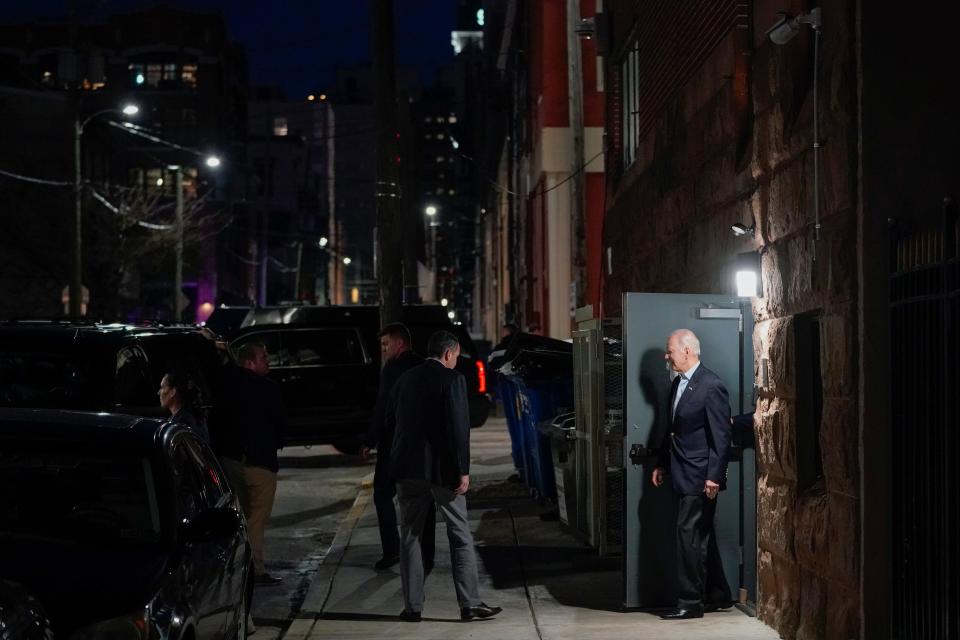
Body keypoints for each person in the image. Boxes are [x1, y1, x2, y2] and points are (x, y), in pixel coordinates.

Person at [387, 330, 502, 623]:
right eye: (456, 356)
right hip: (441, 472)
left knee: (410, 537)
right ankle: (470, 603)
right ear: (449, 353)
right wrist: (462, 470)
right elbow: (458, 428)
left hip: (407, 470)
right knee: (460, 535)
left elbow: (393, 422)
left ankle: (412, 607)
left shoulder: (405, 379)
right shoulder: (453, 380)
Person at [652, 329, 733, 620]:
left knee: (689, 537)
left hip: (700, 476)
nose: (667, 355)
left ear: (687, 351)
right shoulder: (678, 384)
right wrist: (662, 462)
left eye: (670, 350)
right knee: (700, 536)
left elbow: (721, 437)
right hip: (680, 470)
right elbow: (672, 429)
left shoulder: (711, 386)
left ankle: (690, 602)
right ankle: (718, 594)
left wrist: (714, 477)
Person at [359, 323, 435, 572]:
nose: (383, 349)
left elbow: (383, 408)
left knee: (382, 494)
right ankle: (427, 553)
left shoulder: (393, 369)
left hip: (394, 444)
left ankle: (391, 550)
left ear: (399, 343)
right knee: (425, 496)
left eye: (385, 344)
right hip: (423, 444)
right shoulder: (424, 366)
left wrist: (370, 440)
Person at [232, 341, 286, 586]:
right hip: (260, 463)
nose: (269, 360)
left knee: (242, 516)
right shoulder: (267, 389)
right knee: (256, 518)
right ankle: (255, 569)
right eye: (264, 357)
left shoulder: (227, 386)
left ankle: (239, 568)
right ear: (249, 363)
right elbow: (278, 423)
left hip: (233, 461)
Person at [158, 371, 210, 445]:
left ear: (172, 392)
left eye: (162, 387)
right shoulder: (192, 415)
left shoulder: (179, 425)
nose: (159, 392)